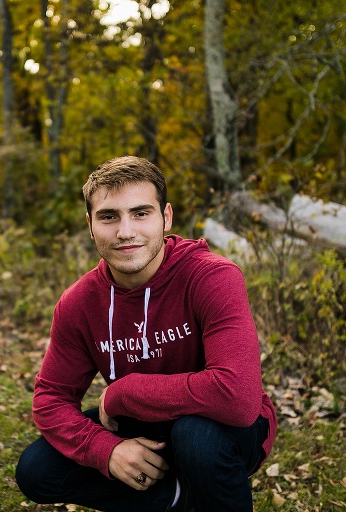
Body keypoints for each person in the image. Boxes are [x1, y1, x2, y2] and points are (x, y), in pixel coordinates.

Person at [16, 156, 277, 511]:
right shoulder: (79, 303)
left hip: (222, 427)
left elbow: (237, 397)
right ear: (90, 224)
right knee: (37, 469)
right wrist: (106, 450)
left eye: (141, 213)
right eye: (109, 216)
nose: (125, 231)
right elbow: (50, 399)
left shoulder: (212, 277)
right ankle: (174, 498)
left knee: (195, 438)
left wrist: (122, 392)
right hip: (143, 426)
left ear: (166, 218)